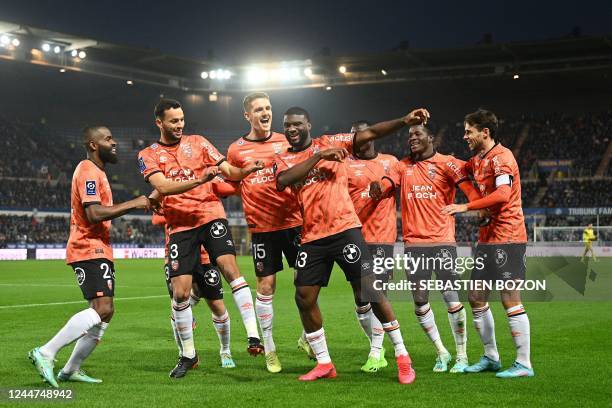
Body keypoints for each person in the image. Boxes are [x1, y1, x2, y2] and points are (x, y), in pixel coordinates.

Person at [275, 106, 429, 383]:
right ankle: (324, 363)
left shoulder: (333, 141)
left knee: (369, 291)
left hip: (345, 229)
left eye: (297, 124)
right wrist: (318, 157)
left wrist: (404, 120)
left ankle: (403, 356)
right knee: (303, 297)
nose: (291, 129)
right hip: (312, 236)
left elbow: (369, 133)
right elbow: (283, 181)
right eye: (287, 125)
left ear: (309, 124)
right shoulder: (285, 158)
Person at [138, 98, 264, 378]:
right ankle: (188, 355)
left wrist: (244, 171)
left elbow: (228, 170)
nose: (180, 125)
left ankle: (254, 337)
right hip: (180, 226)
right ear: (159, 122)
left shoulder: (199, 141)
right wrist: (198, 179)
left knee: (230, 268)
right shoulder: (147, 154)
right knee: (181, 293)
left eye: (182, 119)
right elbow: (162, 186)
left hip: (210, 214)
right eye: (173, 120)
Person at [28, 126, 153, 388]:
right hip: (87, 247)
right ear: (93, 144)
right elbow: (94, 214)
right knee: (102, 308)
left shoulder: (98, 172)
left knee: (106, 313)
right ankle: (46, 352)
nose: (114, 142)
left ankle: (70, 369)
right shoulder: (87, 170)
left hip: (99, 247)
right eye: (108, 139)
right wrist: (134, 204)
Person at [371, 123, 481, 373]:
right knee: (420, 302)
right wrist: (379, 187)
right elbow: (387, 182)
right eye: (409, 136)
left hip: (442, 241)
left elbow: (470, 191)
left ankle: (462, 355)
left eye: (418, 134)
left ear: (431, 138)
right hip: (414, 245)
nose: (412, 138)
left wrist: (478, 208)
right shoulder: (403, 165)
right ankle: (441, 352)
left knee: (451, 298)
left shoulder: (447, 163)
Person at [442, 109, 534, 378]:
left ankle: (524, 363)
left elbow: (503, 194)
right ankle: (491, 357)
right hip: (487, 239)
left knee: (509, 298)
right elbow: (459, 167)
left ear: (485, 132)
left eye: (469, 131)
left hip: (508, 236)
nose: (464, 135)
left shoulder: (502, 158)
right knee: (476, 296)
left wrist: (465, 206)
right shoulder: (477, 160)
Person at [227, 92, 302, 373]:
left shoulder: (286, 141)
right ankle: (270, 349)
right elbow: (232, 181)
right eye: (259, 109)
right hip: (262, 229)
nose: (265, 112)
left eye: (268, 107)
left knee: (307, 283)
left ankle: (308, 336)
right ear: (248, 115)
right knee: (266, 287)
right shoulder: (236, 150)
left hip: (294, 222)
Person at [345, 120, 398, 373]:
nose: (359, 139)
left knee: (376, 294)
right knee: (360, 299)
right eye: (355, 136)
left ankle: (376, 352)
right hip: (353, 237)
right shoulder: (344, 165)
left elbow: (393, 183)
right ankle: (376, 345)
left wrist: (383, 187)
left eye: (362, 134)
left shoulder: (390, 161)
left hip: (382, 238)